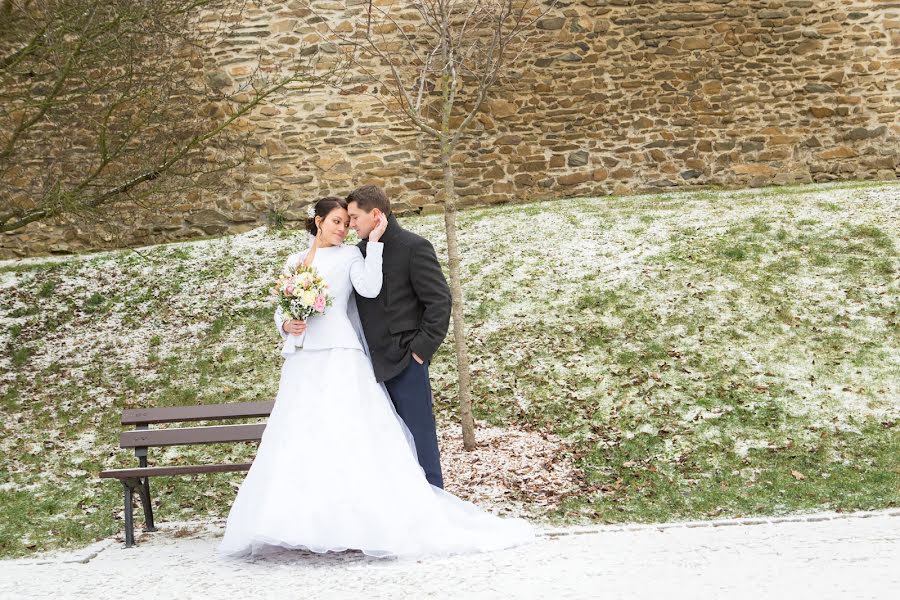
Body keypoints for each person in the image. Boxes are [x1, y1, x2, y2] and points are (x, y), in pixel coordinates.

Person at [218, 196, 534, 559]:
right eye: (337, 221)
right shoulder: (295, 262)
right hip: (302, 359)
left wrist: (373, 247)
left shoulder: (352, 255)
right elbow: (281, 308)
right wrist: (285, 324)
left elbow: (369, 288)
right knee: (302, 435)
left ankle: (364, 521)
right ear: (318, 221)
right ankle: (304, 523)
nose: (344, 228)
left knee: (350, 433)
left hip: (340, 354)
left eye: (347, 221)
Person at [346, 184, 448, 489]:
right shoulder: (358, 254)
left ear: (375, 214)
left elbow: (440, 302)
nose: (351, 224)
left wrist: (419, 352)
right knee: (384, 445)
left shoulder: (414, 247)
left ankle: (434, 506)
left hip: (406, 363)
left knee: (420, 440)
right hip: (369, 368)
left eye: (354, 217)